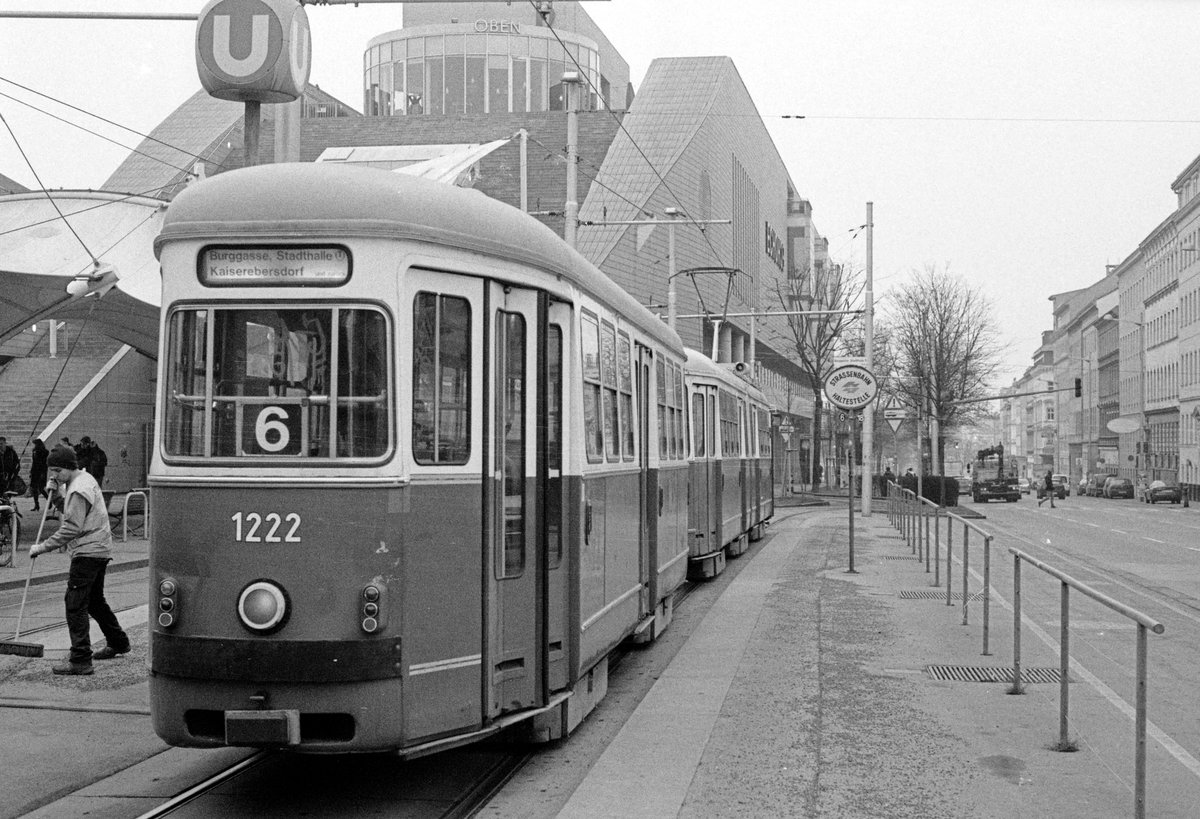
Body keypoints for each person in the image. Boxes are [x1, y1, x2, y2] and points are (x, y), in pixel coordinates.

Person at [29, 445, 130, 676]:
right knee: (94, 601)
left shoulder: (78, 488)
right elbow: (72, 512)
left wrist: (42, 547)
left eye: (57, 470)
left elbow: (72, 526)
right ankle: (118, 642)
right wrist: (56, 494)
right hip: (99, 548)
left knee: (75, 603)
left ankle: (81, 659)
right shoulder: (83, 479)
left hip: (88, 551)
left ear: (68, 467)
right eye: (51, 471)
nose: (54, 475)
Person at [28, 438, 48, 511]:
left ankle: (48, 501)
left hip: (40, 472)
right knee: (34, 489)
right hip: (35, 472)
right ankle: (36, 505)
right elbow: (34, 463)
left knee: (40, 488)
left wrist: (42, 473)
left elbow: (43, 464)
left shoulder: (44, 452)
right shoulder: (35, 451)